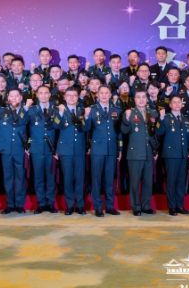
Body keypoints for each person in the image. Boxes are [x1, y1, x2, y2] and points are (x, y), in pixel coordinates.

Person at [85, 85, 123, 217]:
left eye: (107, 93)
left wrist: (120, 148)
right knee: (96, 179)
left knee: (109, 179)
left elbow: (119, 132)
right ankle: (98, 207)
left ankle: (110, 206)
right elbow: (87, 129)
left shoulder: (117, 110)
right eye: (101, 93)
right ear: (97, 95)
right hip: (97, 150)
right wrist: (86, 117)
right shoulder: (92, 110)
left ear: (110, 95)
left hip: (111, 149)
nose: (104, 95)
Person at [0, 89, 30, 214]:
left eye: (17, 96)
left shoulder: (26, 111)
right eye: (11, 96)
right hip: (5, 149)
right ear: (8, 98)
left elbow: (22, 121)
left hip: (20, 148)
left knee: (20, 177)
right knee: (7, 177)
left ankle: (19, 204)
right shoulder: (1, 111)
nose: (14, 98)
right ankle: (10, 204)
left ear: (21, 97)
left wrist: (25, 108)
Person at [122, 90, 159, 215]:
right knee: (135, 181)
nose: (141, 99)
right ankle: (136, 207)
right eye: (138, 97)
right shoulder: (130, 112)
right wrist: (127, 119)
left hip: (148, 151)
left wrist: (155, 149)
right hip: (135, 152)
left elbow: (155, 131)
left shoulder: (152, 112)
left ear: (147, 99)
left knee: (148, 181)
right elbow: (124, 131)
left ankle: (146, 205)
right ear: (135, 99)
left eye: (144, 97)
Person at [156, 95, 189, 216]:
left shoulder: (185, 119)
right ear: (170, 105)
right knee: (171, 181)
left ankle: (180, 205)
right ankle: (172, 207)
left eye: (179, 102)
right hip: (171, 154)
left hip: (183, 154)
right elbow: (159, 132)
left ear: (182, 105)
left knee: (181, 181)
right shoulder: (166, 118)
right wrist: (161, 118)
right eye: (174, 102)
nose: (177, 104)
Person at [25, 85, 58, 214]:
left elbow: (59, 130)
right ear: (37, 95)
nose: (43, 95)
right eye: (41, 93)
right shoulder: (31, 110)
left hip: (51, 149)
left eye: (46, 93)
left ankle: (50, 203)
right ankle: (41, 203)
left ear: (50, 95)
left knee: (50, 177)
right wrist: (28, 145)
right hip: (37, 148)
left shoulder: (56, 109)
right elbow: (25, 128)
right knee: (38, 177)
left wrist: (57, 148)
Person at [55, 87, 87, 215]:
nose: (72, 98)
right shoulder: (59, 110)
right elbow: (55, 125)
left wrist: (85, 117)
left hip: (79, 149)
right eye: (69, 95)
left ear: (78, 97)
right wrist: (60, 113)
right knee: (67, 178)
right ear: (64, 97)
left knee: (80, 178)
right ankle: (69, 205)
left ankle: (80, 205)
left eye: (74, 95)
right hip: (65, 150)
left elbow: (85, 128)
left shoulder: (82, 110)